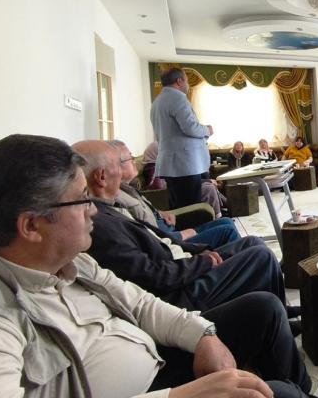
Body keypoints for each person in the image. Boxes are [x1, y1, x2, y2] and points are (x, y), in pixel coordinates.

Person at [0, 134, 318, 398]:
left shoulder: (75, 263)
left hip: (157, 356)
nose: (93, 209)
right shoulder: (1, 317)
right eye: (81, 199)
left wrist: (202, 335)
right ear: (31, 226)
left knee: (263, 309)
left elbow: (141, 304)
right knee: (274, 397)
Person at [73, 140, 292, 317]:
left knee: (252, 242)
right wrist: (202, 262)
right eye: (117, 165)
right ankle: (272, 313)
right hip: (181, 290)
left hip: (182, 264)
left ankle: (282, 311)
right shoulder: (100, 224)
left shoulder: (113, 207)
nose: (121, 173)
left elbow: (157, 237)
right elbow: (152, 276)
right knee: (261, 255)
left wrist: (199, 250)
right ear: (101, 176)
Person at [111, 140, 241, 248]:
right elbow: (148, 236)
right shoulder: (119, 202)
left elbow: (147, 213)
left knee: (227, 222)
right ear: (115, 166)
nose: (134, 160)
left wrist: (162, 213)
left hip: (170, 230)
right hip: (171, 242)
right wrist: (182, 234)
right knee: (229, 232)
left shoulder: (127, 189)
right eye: (130, 157)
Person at [150, 68, 214, 209]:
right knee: (191, 209)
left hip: (172, 165)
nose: (188, 85)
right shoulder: (177, 98)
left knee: (178, 208)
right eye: (187, 81)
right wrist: (207, 130)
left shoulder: (157, 101)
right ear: (179, 81)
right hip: (185, 166)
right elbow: (190, 127)